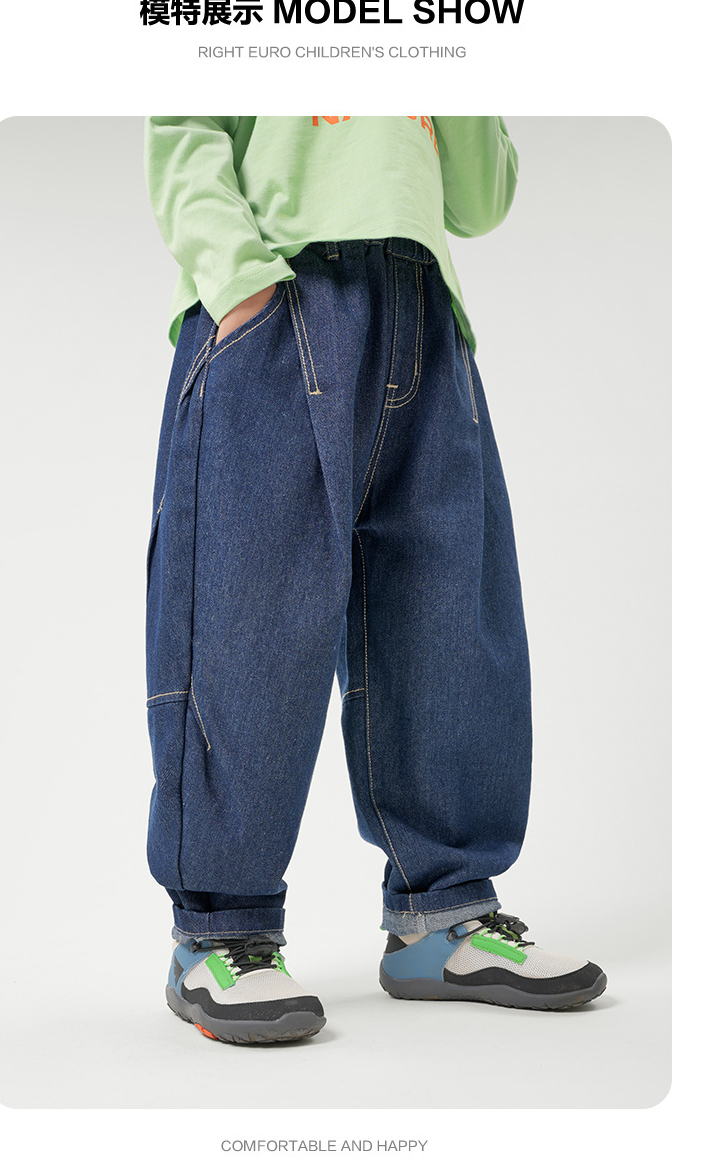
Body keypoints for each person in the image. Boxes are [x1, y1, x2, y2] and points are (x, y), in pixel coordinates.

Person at [143, 116, 607, 1046]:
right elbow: (185, 130)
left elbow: (482, 199)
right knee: (247, 626)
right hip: (281, 292)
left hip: (422, 305)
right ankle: (219, 931)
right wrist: (240, 283)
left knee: (444, 618)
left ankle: (442, 917)